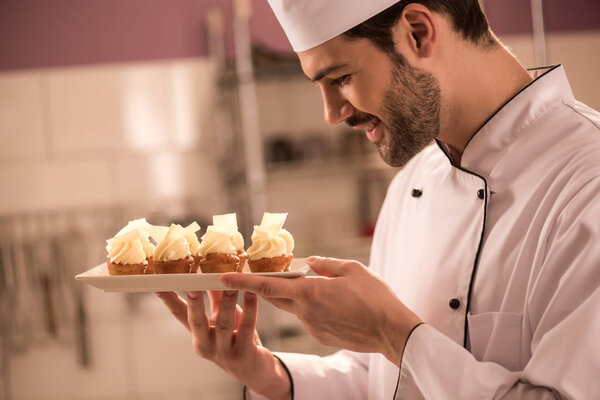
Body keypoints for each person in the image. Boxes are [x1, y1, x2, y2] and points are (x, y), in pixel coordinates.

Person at [157, 0, 600, 398]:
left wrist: (392, 332)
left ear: (417, 32)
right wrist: (268, 372)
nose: (332, 114)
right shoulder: (414, 183)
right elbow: (384, 377)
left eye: (341, 78)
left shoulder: (588, 182)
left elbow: (402, 345)